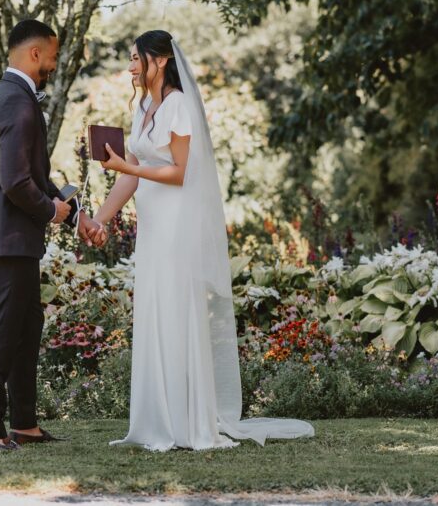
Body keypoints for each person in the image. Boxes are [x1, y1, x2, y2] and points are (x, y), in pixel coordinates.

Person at [90, 30, 314, 451]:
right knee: (155, 310)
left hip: (176, 225)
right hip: (152, 228)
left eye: (136, 58)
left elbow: (179, 173)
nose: (130, 66)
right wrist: (99, 219)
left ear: (160, 60)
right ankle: (157, 421)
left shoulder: (178, 105)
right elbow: (129, 174)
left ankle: (185, 422)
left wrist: (128, 168)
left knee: (175, 310)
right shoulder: (144, 107)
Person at [0, 19, 101, 452]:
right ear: (35, 53)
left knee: (26, 332)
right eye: (53, 56)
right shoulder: (16, 102)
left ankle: (24, 423)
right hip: (8, 238)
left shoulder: (9, 96)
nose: (55, 65)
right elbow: (16, 183)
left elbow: (36, 177)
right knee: (1, 334)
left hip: (16, 237)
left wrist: (73, 213)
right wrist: (51, 211)